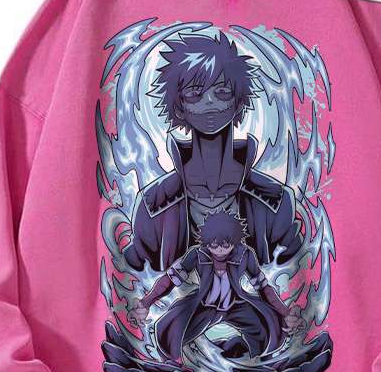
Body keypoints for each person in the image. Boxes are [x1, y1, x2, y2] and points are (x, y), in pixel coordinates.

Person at [121, 31, 304, 272]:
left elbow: (292, 270)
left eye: (222, 92)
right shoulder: (153, 203)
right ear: (179, 107)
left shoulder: (276, 201)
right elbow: (134, 274)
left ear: (239, 102)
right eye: (194, 94)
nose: (209, 101)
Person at [128, 210, 306, 365]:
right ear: (206, 241)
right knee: (171, 333)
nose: (220, 249)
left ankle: (253, 361)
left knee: (267, 329)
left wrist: (285, 312)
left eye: (225, 244)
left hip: (236, 305)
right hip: (204, 307)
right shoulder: (197, 254)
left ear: (235, 241)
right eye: (214, 244)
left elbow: (263, 288)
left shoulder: (244, 254)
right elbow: (170, 279)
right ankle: (174, 365)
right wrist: (146, 302)